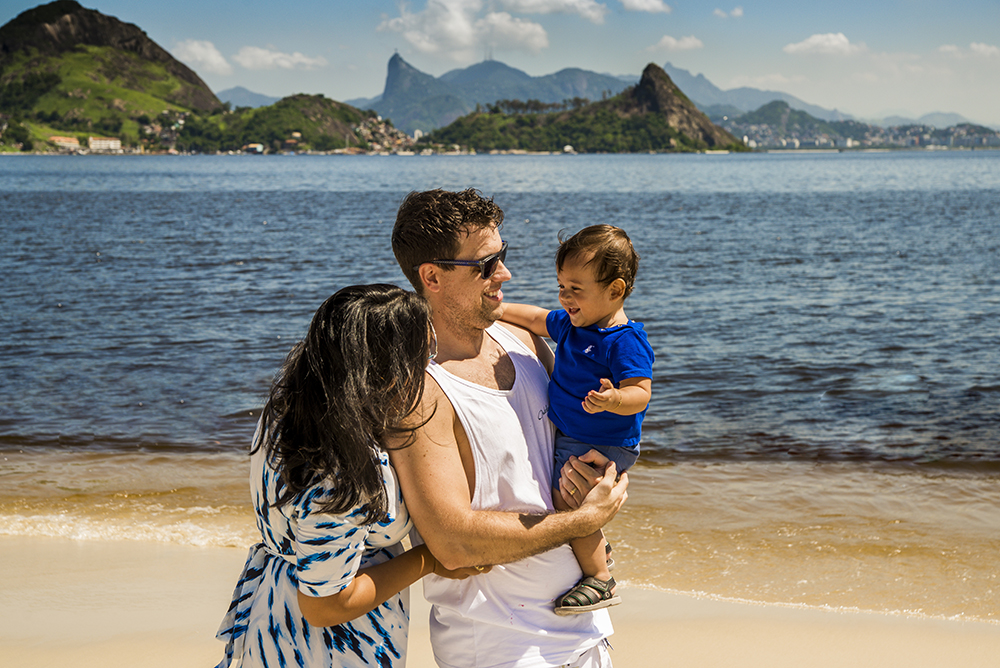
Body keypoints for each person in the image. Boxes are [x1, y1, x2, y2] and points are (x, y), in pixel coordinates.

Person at [389, 188, 630, 668]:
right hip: (500, 647)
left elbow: (571, 444)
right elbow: (453, 542)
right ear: (432, 277)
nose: (504, 273)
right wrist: (583, 522)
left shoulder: (523, 340)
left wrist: (601, 479)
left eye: (503, 255)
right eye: (485, 265)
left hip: (585, 632)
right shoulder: (416, 389)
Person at [215, 284, 487, 668]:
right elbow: (324, 605)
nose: (429, 367)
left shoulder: (290, 405)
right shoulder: (342, 475)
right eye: (424, 354)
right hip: (329, 647)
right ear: (387, 372)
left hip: (276, 615)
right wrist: (429, 560)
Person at [501, 224, 654, 616]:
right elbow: (536, 318)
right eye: (561, 286)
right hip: (574, 434)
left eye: (576, 289)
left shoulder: (624, 341)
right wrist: (497, 310)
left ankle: (600, 578)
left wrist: (614, 399)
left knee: (567, 501)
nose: (564, 297)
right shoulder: (572, 325)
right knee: (567, 498)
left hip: (603, 441)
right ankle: (597, 545)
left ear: (615, 291)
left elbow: (641, 393)